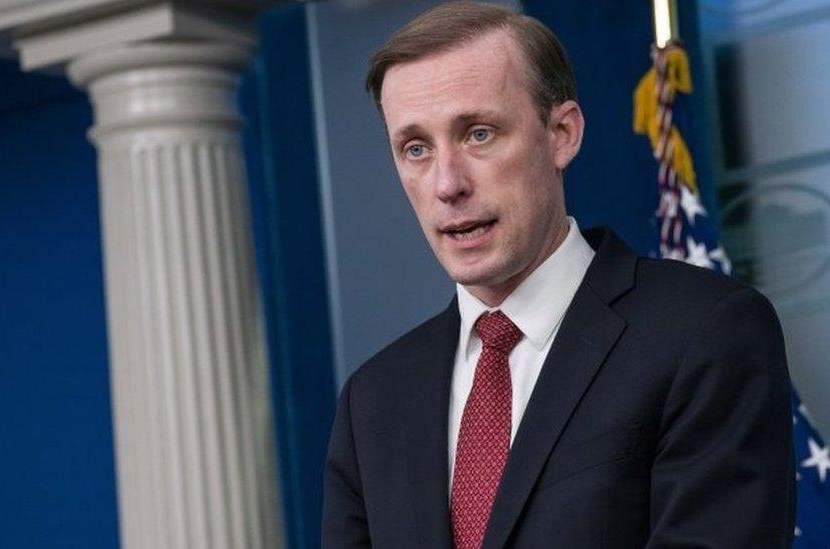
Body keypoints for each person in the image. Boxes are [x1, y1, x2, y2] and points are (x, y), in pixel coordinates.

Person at [322, 2, 794, 548]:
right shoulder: (373, 401)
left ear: (562, 134)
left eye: (478, 134)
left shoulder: (704, 332)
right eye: (416, 148)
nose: (446, 184)